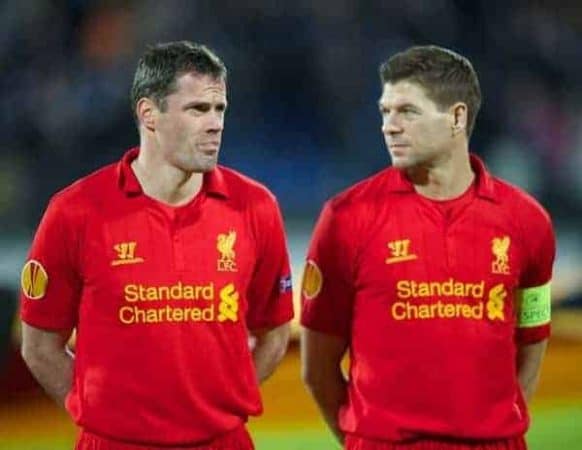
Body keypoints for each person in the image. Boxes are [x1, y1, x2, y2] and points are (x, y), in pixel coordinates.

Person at [20, 40, 294, 450]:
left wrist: (222, 402)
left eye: (220, 109)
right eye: (198, 109)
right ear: (149, 114)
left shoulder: (255, 207)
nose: (216, 123)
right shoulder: (76, 211)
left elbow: (273, 331)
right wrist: (97, 414)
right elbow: (40, 345)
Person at [300, 45, 555, 450]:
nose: (389, 126)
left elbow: (533, 336)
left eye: (407, 112)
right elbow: (318, 369)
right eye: (385, 111)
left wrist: (499, 425)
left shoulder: (528, 222)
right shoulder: (347, 217)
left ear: (457, 116)